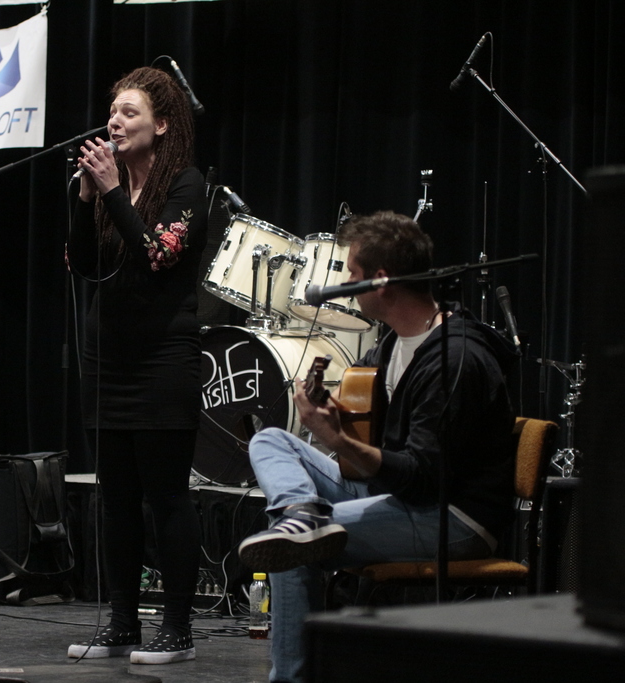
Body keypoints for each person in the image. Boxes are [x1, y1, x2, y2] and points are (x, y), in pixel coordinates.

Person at [237, 211, 517, 682]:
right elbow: (377, 434)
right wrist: (338, 417)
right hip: (401, 497)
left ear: (381, 281)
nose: (345, 284)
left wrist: (336, 439)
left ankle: (292, 676)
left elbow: (422, 478)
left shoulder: (454, 359)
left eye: (352, 274)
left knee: (290, 546)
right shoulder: (392, 344)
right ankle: (301, 511)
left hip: (452, 518)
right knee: (271, 441)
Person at [65, 66, 208, 665]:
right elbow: (83, 264)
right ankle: (122, 623)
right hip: (108, 358)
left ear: (162, 125)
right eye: (113, 112)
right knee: (115, 498)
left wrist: (112, 194)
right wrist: (86, 198)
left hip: (162, 359)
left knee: (166, 496)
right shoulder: (110, 186)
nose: (115, 122)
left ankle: (177, 629)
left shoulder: (186, 185)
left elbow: (157, 256)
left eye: (129, 112)